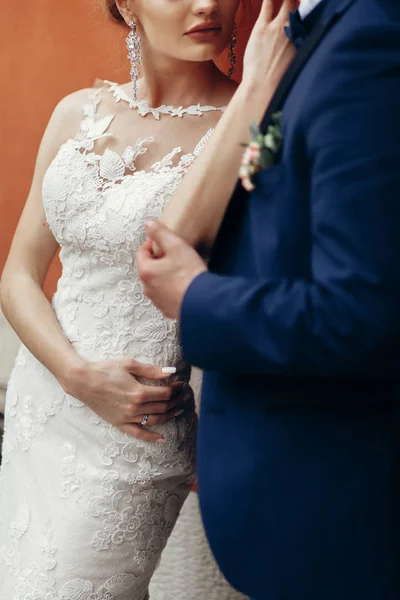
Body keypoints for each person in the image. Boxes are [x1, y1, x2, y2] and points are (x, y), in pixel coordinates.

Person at [0, 0, 294, 597]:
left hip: (133, 435)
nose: (206, 4)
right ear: (125, 3)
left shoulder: (250, 129)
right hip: (43, 406)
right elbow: (18, 275)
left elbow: (178, 250)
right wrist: (75, 375)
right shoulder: (75, 113)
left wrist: (257, 92)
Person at [137, 0, 400, 599]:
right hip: (271, 502)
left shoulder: (368, 42)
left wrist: (197, 296)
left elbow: (367, 311)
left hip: (328, 515)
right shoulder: (300, 41)